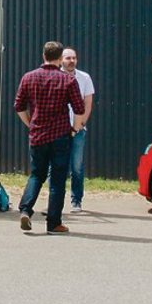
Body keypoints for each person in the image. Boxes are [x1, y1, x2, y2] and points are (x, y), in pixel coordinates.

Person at [14, 40, 84, 234]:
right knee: (58, 180)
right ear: (60, 59)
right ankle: (53, 223)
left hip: (37, 135)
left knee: (37, 174)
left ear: (43, 56)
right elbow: (79, 108)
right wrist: (75, 129)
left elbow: (18, 106)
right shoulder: (68, 80)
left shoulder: (29, 77)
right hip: (61, 135)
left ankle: (25, 210)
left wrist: (30, 123)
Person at [60, 47, 95, 213]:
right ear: (61, 60)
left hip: (79, 128)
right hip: (59, 128)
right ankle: (56, 200)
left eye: (74, 58)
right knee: (57, 166)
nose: (71, 61)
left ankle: (76, 201)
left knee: (77, 166)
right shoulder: (56, 77)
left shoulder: (84, 78)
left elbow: (88, 103)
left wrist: (80, 124)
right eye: (68, 58)